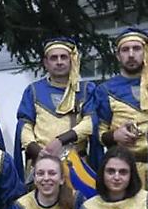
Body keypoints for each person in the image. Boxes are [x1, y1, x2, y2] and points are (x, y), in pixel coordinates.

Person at [91, 28, 148, 209]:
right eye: (125, 50)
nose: (131, 54)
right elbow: (99, 134)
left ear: (146, 52)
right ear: (118, 55)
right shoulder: (105, 90)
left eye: (136, 48)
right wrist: (114, 135)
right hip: (123, 172)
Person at [14, 37, 96, 182]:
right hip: (41, 165)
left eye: (63, 57)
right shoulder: (33, 91)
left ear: (72, 60)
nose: (59, 62)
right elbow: (25, 125)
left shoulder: (85, 90)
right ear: (46, 62)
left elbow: (90, 123)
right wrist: (37, 151)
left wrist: (61, 141)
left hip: (76, 165)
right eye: (54, 58)